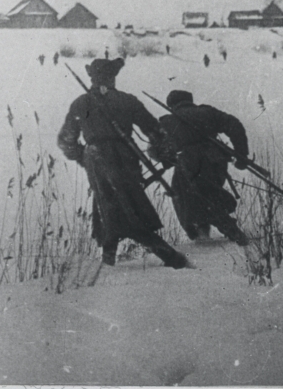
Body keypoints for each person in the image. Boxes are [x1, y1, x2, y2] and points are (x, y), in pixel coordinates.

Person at [57, 58, 193, 269]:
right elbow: (154, 130)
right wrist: (166, 156)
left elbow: (66, 140)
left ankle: (110, 261)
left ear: (91, 77)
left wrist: (84, 158)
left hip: (96, 160)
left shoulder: (81, 103)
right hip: (126, 157)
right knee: (126, 205)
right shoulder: (127, 101)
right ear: (113, 77)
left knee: (111, 205)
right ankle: (168, 257)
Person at [155, 90, 250, 246]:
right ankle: (206, 234)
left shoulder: (168, 121)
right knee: (207, 194)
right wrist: (241, 154)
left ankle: (215, 234)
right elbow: (235, 125)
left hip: (189, 163)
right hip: (216, 161)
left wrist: (168, 158)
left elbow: (157, 150)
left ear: (171, 105)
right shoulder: (207, 112)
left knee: (185, 196)